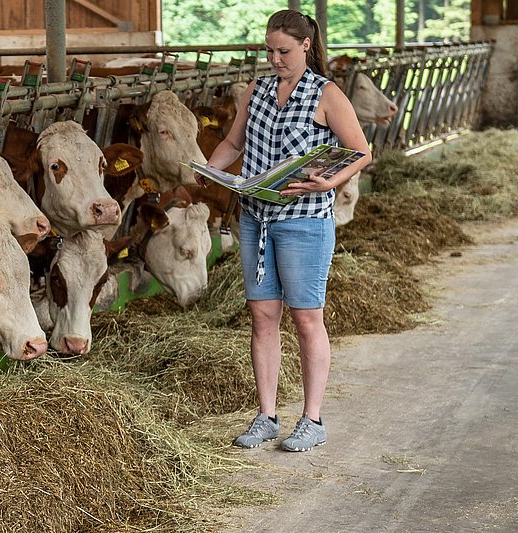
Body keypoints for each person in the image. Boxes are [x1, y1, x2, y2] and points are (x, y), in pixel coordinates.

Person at [204, 9, 373, 452]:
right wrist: (208, 169)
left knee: (306, 318)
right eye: (269, 50)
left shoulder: (326, 93)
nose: (275, 59)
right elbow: (233, 143)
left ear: (305, 46)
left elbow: (360, 152)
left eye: (283, 51)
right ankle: (266, 415)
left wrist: (328, 181)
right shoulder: (255, 91)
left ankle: (312, 419)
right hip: (256, 218)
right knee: (263, 317)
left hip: (304, 221)